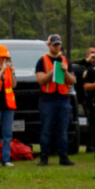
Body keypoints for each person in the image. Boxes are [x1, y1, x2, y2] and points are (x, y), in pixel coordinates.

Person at [32, 37, 75, 167]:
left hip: (63, 99)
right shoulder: (42, 61)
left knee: (62, 130)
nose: (56, 47)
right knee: (46, 129)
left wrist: (65, 71)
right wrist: (52, 71)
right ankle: (44, 157)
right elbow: (41, 80)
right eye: (54, 45)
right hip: (47, 100)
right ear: (49, 45)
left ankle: (64, 157)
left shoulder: (66, 61)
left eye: (58, 45)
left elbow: (72, 81)